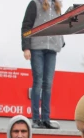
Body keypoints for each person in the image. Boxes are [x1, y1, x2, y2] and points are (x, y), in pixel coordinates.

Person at [21, 0, 65, 129]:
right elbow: (26, 26)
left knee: (48, 84)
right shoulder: (35, 4)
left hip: (52, 48)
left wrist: (61, 41)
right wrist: (26, 48)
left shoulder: (56, 6)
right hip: (37, 47)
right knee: (38, 81)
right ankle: (36, 118)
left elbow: (60, 24)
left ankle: (46, 118)